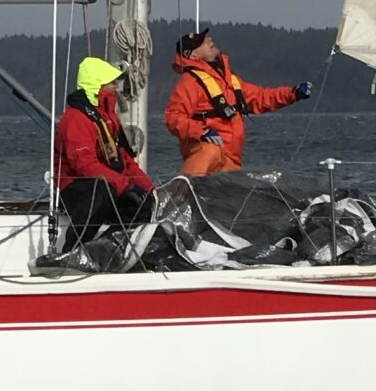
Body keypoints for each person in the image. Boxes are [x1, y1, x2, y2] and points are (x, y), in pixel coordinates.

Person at [164, 26, 310, 176]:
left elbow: (260, 97)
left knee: (238, 179)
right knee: (210, 151)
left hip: (230, 160)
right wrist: (201, 132)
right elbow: (173, 117)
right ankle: (182, 187)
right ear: (192, 55)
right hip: (207, 154)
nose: (209, 40)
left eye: (206, 38)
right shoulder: (190, 82)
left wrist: (293, 93)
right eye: (202, 41)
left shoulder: (229, 80)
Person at [54, 56, 156, 244]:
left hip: (109, 184)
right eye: (112, 82)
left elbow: (124, 160)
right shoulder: (76, 118)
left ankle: (112, 247)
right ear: (97, 86)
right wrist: (124, 185)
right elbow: (85, 165)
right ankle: (73, 249)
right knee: (102, 190)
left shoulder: (108, 118)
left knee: (144, 203)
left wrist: (149, 188)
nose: (117, 86)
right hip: (77, 188)